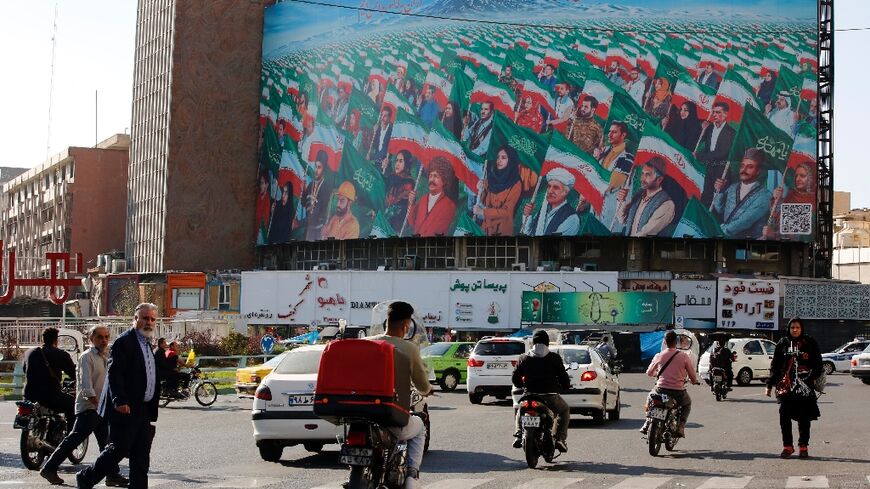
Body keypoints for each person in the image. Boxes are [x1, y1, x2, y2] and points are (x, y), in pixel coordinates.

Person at [77, 303, 161, 489]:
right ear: (135, 319)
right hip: (126, 407)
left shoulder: (148, 344)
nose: (149, 322)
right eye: (145, 318)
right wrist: (120, 400)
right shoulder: (125, 342)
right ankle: (86, 478)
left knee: (141, 454)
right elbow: (115, 373)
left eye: (152, 319)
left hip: (143, 409)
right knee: (118, 450)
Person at [39, 326, 127, 487]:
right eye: (99, 337)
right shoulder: (87, 357)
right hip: (90, 407)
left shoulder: (107, 356)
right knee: (74, 439)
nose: (104, 340)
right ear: (91, 339)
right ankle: (49, 467)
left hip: (102, 407)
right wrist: (95, 402)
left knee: (106, 443)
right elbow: (85, 384)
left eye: (106, 337)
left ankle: (112, 474)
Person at [369, 301, 433, 489]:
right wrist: (428, 390)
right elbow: (421, 384)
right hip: (389, 414)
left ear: (386, 322)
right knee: (420, 427)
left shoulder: (368, 343)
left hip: (360, 413)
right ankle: (412, 476)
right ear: (406, 326)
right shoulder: (409, 348)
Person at [765, 318, 822, 459]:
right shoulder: (783, 343)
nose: (795, 330)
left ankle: (803, 447)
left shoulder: (810, 342)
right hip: (786, 387)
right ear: (788, 329)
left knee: (804, 418)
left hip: (805, 387)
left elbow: (818, 363)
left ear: (802, 328)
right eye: (792, 327)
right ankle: (788, 447)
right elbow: (775, 365)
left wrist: (813, 377)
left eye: (797, 327)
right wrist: (769, 384)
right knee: (784, 414)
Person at [511, 329, 571, 452]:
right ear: (547, 343)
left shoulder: (523, 358)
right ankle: (560, 439)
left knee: (520, 408)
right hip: (550, 396)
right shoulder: (554, 358)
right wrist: (565, 385)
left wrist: (521, 385)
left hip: (529, 395)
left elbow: (515, 378)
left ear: (533, 342)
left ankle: (518, 434)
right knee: (564, 410)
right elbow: (563, 377)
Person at [640, 330, 701, 437]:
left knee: (650, 398)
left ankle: (647, 422)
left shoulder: (659, 355)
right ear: (676, 341)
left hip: (660, 389)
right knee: (687, 404)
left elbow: (649, 373)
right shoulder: (684, 356)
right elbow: (692, 375)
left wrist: (657, 374)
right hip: (678, 392)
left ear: (664, 341)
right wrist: (694, 381)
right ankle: (681, 427)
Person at [712, 148, 773, 239]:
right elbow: (720, 209)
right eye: (742, 166)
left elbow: (745, 221)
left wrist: (719, 231)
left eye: (750, 167)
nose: (744, 170)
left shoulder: (765, 195)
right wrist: (719, 191)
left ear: (758, 171)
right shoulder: (733, 187)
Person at [23, 327, 76, 426]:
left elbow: (24, 370)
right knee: (73, 404)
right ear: (56, 340)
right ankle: (70, 437)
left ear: (42, 339)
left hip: (29, 395)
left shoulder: (29, 353)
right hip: (50, 396)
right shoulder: (61, 354)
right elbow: (73, 373)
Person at [615, 157, 676, 237]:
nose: (642, 179)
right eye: (642, 174)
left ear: (659, 180)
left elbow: (645, 234)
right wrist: (622, 201)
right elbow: (623, 220)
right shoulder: (639, 195)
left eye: (647, 175)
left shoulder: (667, 205)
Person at [695, 101, 736, 208]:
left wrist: (700, 157)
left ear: (726, 114)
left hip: (722, 169)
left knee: (718, 202)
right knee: (706, 196)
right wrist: (702, 130)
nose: (715, 115)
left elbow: (722, 152)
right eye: (713, 112)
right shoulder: (709, 128)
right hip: (709, 168)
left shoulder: (731, 132)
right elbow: (699, 141)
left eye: (718, 112)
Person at [474, 145, 523, 236]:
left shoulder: (516, 183)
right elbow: (484, 201)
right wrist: (480, 189)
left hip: (502, 229)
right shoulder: (491, 177)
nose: (499, 160)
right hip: (486, 227)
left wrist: (483, 212)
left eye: (503, 157)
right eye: (498, 157)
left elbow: (507, 211)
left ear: (511, 160)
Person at [763, 162, 816, 240]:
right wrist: (778, 200)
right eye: (796, 176)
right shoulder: (791, 195)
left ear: (812, 178)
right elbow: (776, 223)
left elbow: (799, 235)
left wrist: (774, 235)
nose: (797, 179)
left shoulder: (815, 201)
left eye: (802, 176)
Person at [406, 157, 458, 236]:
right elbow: (412, 222)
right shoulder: (424, 199)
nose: (432, 180)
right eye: (430, 176)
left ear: (444, 181)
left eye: (436, 176)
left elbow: (435, 231)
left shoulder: (449, 206)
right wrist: (412, 203)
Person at [522, 167, 580, 236]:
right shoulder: (543, 211)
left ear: (565, 192)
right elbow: (528, 233)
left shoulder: (572, 218)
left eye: (556, 188)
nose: (549, 191)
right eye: (549, 186)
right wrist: (527, 215)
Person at [302, 152, 334, 241]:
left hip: (317, 230)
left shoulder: (326, 187)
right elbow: (304, 203)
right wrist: (303, 191)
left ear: (323, 169)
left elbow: (323, 209)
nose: (316, 170)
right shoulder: (310, 185)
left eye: (319, 167)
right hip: (308, 226)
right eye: (315, 166)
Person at [385, 150, 417, 232]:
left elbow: (403, 203)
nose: (397, 164)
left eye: (401, 161)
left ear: (406, 164)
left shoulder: (409, 182)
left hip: (398, 218)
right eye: (396, 161)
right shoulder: (391, 176)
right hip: (386, 212)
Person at [255, 172, 272, 244]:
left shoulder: (267, 200)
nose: (260, 186)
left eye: (262, 183)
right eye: (260, 183)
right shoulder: (258, 196)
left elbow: (265, 220)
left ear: (267, 185)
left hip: (260, 232)